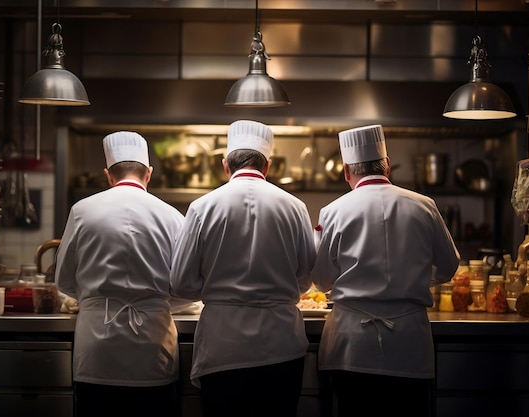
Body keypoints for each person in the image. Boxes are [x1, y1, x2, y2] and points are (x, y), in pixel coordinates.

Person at [310, 124, 460, 417]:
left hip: (352, 347)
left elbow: (321, 281)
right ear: (387, 165)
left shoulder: (334, 211)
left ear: (346, 171)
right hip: (409, 346)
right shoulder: (424, 206)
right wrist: (413, 277)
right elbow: (449, 266)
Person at [169, 119, 317, 417]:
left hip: (224, 346)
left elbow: (181, 282)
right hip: (281, 345)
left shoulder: (202, 207)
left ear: (225, 165)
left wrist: (215, 290)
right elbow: (305, 278)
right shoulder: (295, 206)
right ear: (268, 166)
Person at [55, 131, 185, 417]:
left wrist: (97, 299)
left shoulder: (82, 211)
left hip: (97, 353)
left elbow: (63, 280)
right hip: (154, 351)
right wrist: (156, 302)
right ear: (148, 174)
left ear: (107, 175)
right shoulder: (173, 216)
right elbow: (184, 286)